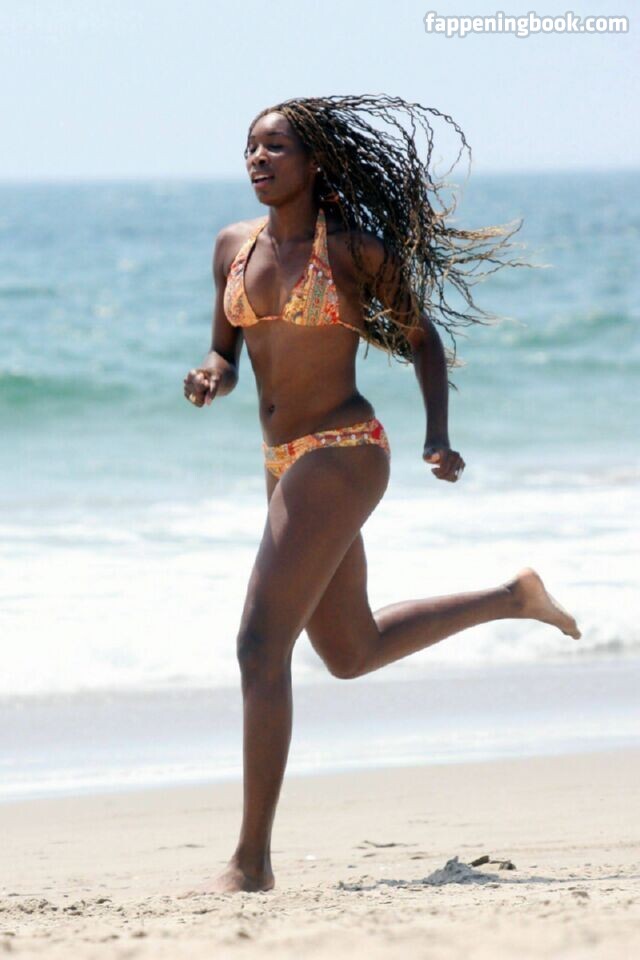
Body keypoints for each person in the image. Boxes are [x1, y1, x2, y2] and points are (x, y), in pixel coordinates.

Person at [181, 94, 580, 896]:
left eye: (276, 147)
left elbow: (422, 337)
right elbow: (226, 350)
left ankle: (251, 862)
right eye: (250, 147)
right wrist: (211, 376)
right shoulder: (233, 246)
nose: (258, 158)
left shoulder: (353, 252)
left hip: (343, 451)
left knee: (259, 646)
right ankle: (513, 596)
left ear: (314, 163)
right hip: (280, 460)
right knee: (350, 651)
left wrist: (438, 435)